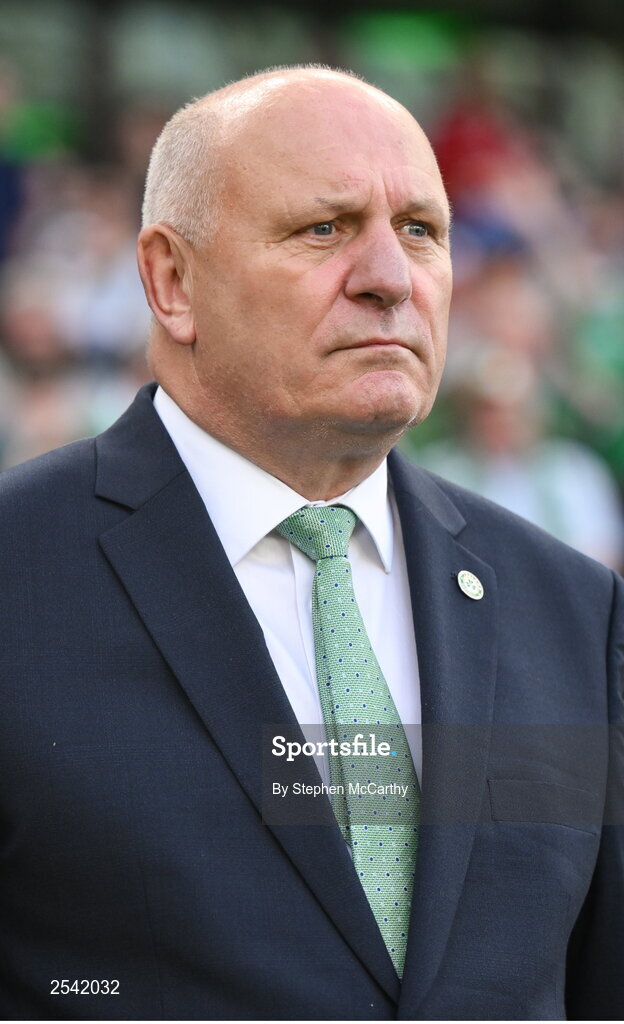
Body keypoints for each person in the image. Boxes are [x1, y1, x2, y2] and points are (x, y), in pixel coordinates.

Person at [0, 65, 621, 1022]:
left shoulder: (570, 610)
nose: (388, 278)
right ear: (172, 281)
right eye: (322, 228)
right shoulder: (20, 574)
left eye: (421, 230)